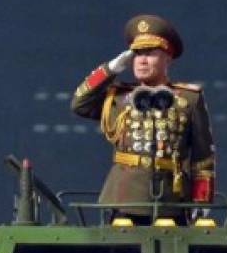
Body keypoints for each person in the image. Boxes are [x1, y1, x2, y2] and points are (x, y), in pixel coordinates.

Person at [71, 14, 216, 223]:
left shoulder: (189, 99)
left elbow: (203, 158)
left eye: (150, 53)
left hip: (172, 200)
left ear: (168, 57)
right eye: (137, 54)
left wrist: (201, 203)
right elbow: (79, 103)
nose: (141, 60)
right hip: (124, 198)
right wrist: (111, 69)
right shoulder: (119, 97)